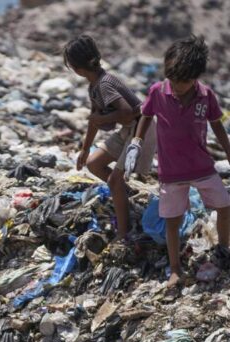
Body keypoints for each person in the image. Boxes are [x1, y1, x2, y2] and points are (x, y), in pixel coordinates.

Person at [129, 35, 230, 287]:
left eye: (182, 82)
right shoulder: (157, 91)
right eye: (172, 79)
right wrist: (136, 142)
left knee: (225, 207)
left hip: (202, 166)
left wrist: (229, 152)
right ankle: (175, 269)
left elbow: (217, 126)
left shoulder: (206, 96)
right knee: (172, 222)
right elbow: (145, 115)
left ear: (195, 77)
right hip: (171, 172)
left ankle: (223, 249)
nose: (176, 86)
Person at [63, 35, 157, 240]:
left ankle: (123, 234)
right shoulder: (94, 85)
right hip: (128, 129)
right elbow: (94, 120)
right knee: (94, 163)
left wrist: (103, 117)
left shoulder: (104, 84)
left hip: (142, 129)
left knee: (114, 180)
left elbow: (127, 112)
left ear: (76, 68)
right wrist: (85, 149)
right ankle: (121, 192)